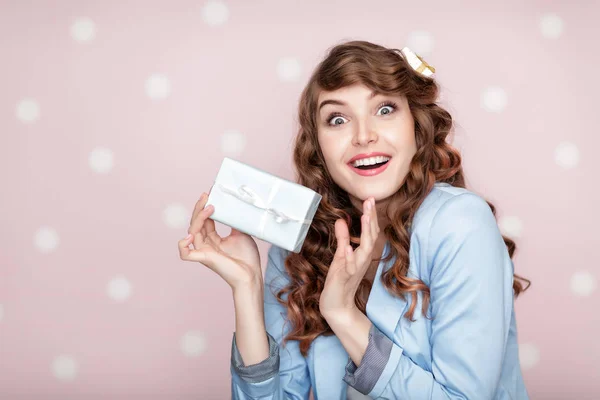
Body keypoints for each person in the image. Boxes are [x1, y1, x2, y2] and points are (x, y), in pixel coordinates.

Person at [178, 40, 531, 399]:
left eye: (385, 109)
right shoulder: (301, 248)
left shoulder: (458, 223)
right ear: (318, 147)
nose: (363, 136)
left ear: (417, 128)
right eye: (338, 119)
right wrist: (247, 288)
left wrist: (343, 314)